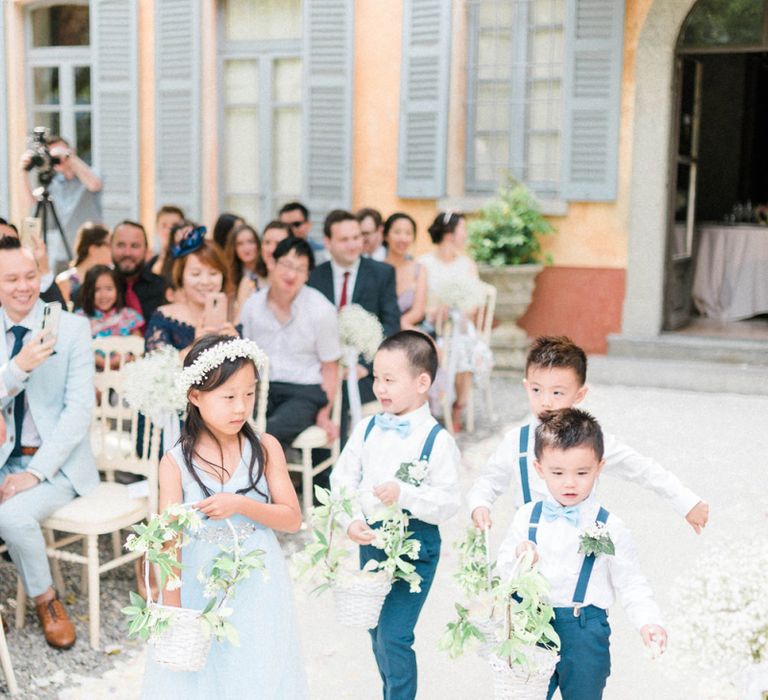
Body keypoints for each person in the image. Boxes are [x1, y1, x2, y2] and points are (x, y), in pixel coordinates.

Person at [142, 335, 308, 698]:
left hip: (259, 579)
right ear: (195, 396)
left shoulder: (265, 447)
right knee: (203, 672)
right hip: (200, 580)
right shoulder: (175, 463)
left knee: (258, 663)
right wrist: (173, 610)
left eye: (248, 394)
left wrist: (241, 504)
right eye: (229, 396)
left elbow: (291, 519)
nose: (240, 407)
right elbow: (170, 541)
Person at [497, 409, 667, 699]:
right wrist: (518, 554)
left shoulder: (610, 526)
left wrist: (649, 621)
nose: (570, 483)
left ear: (599, 467)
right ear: (539, 469)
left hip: (585, 630)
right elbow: (502, 569)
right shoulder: (527, 517)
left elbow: (631, 582)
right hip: (533, 626)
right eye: (558, 472)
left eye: (582, 473)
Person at [330, 330, 460, 700]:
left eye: (390, 380)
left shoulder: (437, 441)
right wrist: (351, 520)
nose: (380, 388)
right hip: (372, 542)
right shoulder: (367, 427)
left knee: (395, 633)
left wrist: (406, 494)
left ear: (422, 383)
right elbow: (342, 477)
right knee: (377, 630)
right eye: (376, 378)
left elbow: (449, 501)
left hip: (415, 547)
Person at [468, 335, 710, 533]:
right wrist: (480, 505)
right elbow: (490, 479)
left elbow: (641, 468)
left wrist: (686, 502)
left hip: (580, 546)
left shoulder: (592, 439)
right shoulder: (516, 441)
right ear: (526, 386)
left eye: (557, 393)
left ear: (580, 395)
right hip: (528, 549)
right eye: (536, 390)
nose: (546, 402)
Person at [0, 236, 98, 649]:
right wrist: (17, 367)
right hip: (5, 458)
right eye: (11, 279)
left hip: (57, 466)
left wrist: (37, 472)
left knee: (12, 518)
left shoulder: (72, 328)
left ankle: (47, 601)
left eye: (30, 276)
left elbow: (79, 413)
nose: (23, 287)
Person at [241, 238, 339, 447]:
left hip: (304, 392)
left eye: (300, 269)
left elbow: (330, 367)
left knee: (271, 431)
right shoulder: (252, 306)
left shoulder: (322, 310)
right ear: (271, 263)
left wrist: (324, 414)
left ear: (307, 275)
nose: (291, 274)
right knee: (232, 424)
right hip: (260, 389)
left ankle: (259, 479)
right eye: (286, 264)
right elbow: (245, 357)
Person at [308, 209, 401, 418]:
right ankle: (322, 450)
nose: (353, 245)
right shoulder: (314, 277)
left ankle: (346, 450)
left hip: (368, 370)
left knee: (345, 395)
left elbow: (392, 326)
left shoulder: (382, 273)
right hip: (322, 368)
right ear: (327, 242)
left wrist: (365, 366)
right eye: (344, 239)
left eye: (357, 237)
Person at [419, 211, 488, 432]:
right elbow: (419, 301)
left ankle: (459, 405)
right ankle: (430, 406)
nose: (465, 235)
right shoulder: (424, 264)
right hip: (432, 326)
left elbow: (475, 304)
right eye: (463, 230)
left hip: (460, 326)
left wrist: (458, 312)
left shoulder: (467, 264)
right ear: (449, 233)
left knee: (463, 347)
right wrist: (436, 312)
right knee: (428, 349)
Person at [145, 230, 238, 355]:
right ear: (181, 277)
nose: (205, 281)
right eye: (196, 274)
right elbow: (156, 368)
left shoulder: (235, 316)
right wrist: (196, 346)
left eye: (213, 273)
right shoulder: (164, 317)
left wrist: (238, 348)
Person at [19, 135, 103, 270]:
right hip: (63, 253)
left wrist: (69, 157)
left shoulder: (90, 173)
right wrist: (24, 173)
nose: (57, 159)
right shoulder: (52, 183)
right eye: (52, 155)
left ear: (72, 151)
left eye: (58, 152)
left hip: (90, 252)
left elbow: (94, 185)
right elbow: (32, 202)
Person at [111, 220, 168, 324]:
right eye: (121, 245)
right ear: (110, 247)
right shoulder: (95, 289)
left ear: (146, 250)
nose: (127, 253)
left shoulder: (163, 288)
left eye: (135, 246)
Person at [0, 217, 66, 306]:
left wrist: (43, 267)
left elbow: (58, 317)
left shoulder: (25, 287)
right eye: (2, 244)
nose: (7, 251)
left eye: (13, 244)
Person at [383, 213, 427, 329]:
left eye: (408, 233)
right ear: (386, 235)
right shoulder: (376, 269)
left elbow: (418, 311)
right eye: (397, 232)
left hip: (407, 330)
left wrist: (401, 323)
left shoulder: (419, 269)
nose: (403, 238)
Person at [76, 265, 144, 338]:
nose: (103, 295)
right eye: (97, 290)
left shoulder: (130, 316)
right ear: (88, 291)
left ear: (117, 290)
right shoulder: (79, 319)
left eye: (109, 289)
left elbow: (138, 344)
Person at [56, 222, 112, 307]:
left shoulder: (112, 277)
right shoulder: (65, 281)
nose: (114, 249)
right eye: (109, 245)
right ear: (93, 249)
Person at [224, 223, 261, 310]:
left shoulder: (268, 272)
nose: (246, 248)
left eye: (251, 242)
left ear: (258, 244)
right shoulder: (229, 276)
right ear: (234, 248)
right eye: (240, 244)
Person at [148, 205, 185, 276]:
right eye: (164, 225)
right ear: (157, 228)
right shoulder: (151, 262)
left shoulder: (187, 259)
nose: (169, 230)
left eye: (174, 225)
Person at [258, 221, 292, 285]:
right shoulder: (250, 283)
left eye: (279, 244)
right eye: (267, 242)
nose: (271, 249)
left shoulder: (296, 284)